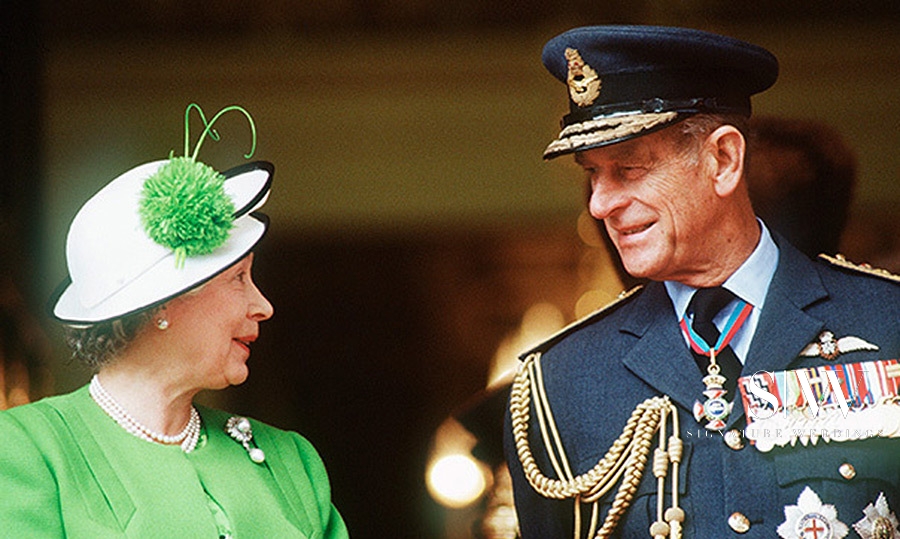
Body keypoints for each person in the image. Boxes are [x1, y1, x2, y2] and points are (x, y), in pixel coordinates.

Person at [503, 25, 900, 538]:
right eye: (592, 174)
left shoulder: (888, 324)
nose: (600, 204)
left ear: (723, 160)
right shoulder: (559, 381)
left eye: (628, 168)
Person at [0, 104, 348, 538]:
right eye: (238, 278)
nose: (263, 306)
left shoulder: (292, 462)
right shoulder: (28, 451)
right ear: (160, 304)